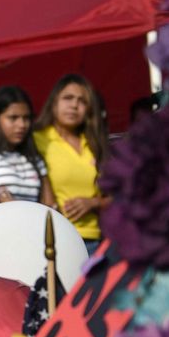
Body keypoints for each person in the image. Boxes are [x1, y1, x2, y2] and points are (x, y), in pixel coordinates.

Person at [32, 74, 110, 255]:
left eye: (82, 101)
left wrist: (94, 203)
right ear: (53, 102)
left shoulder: (94, 144)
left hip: (98, 241)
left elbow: (120, 195)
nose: (74, 105)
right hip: (55, 241)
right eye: (68, 98)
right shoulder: (36, 139)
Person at [0, 85, 55, 211]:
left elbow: (51, 212)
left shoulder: (35, 159)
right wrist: (30, 211)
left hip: (36, 230)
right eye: (13, 118)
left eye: (26, 118)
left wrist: (14, 207)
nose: (22, 125)